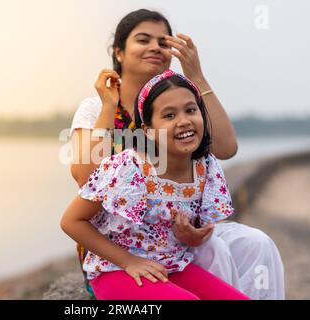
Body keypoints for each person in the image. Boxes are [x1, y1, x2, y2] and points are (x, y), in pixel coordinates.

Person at [69, 9, 284, 299]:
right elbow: (86, 177)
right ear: (119, 53)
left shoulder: (181, 102)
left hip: (174, 238)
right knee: (216, 250)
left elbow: (225, 148)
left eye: (163, 42)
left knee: (257, 243)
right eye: (143, 40)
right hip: (118, 249)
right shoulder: (96, 109)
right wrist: (109, 106)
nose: (155, 47)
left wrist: (195, 75)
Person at [61, 69, 250, 300]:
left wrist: (194, 236)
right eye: (169, 116)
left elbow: (195, 225)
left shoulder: (204, 167)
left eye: (191, 110)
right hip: (116, 270)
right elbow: (71, 221)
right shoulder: (131, 167)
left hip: (172, 266)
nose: (184, 121)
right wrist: (128, 261)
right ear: (148, 131)